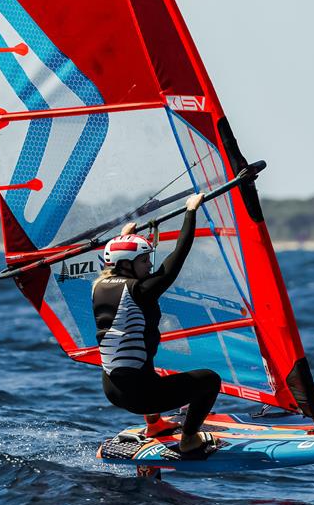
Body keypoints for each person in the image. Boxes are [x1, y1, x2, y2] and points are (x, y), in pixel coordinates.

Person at [92, 192, 221, 454]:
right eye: (143, 260)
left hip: (112, 389)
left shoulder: (99, 286)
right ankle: (189, 441)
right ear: (126, 265)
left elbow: (118, 258)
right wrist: (190, 211)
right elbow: (176, 259)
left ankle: (154, 424)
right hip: (140, 396)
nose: (149, 265)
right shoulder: (140, 290)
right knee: (209, 380)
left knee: (145, 367)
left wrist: (125, 236)